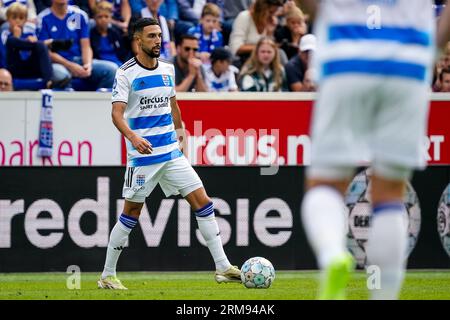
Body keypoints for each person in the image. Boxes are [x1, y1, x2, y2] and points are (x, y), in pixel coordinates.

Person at [300, 0, 434, 300]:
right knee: (390, 195)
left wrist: (330, 15)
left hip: (346, 55)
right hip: (408, 61)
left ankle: (333, 255)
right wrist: (434, 48)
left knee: (325, 185)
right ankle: (384, 295)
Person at [98, 17, 241, 289]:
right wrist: (133, 137)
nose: (157, 41)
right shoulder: (125, 73)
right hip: (143, 159)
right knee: (130, 214)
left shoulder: (167, 69)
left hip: (172, 155)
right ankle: (107, 274)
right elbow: (116, 115)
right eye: (151, 36)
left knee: (204, 202)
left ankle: (222, 267)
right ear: (138, 40)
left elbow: (174, 106)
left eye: (159, 36)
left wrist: (181, 137)